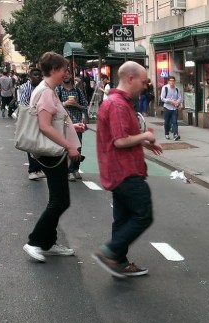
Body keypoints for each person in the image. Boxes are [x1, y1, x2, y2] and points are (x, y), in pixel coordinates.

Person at [92, 61, 164, 278]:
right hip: (125, 171)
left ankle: (118, 261)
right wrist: (146, 136)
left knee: (122, 219)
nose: (145, 86)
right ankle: (110, 252)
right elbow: (120, 141)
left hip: (117, 171)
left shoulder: (116, 102)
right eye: (143, 82)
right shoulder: (118, 105)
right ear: (130, 79)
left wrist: (143, 143)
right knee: (143, 215)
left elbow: (119, 137)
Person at [22, 52, 86, 263]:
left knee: (59, 200)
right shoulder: (47, 93)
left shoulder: (45, 89)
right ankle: (34, 242)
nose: (66, 73)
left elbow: (53, 121)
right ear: (56, 70)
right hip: (52, 152)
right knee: (60, 201)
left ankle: (48, 243)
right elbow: (44, 126)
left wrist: (72, 126)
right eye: (65, 69)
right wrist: (69, 145)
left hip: (51, 151)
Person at [56, 68, 89, 181]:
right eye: (63, 73)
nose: (65, 75)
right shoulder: (58, 90)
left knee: (78, 147)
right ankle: (69, 171)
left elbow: (85, 106)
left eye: (67, 73)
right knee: (66, 147)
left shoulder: (78, 91)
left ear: (71, 75)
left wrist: (77, 105)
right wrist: (65, 103)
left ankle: (75, 169)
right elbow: (53, 105)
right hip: (63, 123)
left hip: (77, 122)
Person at [18, 68, 46, 181]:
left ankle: (39, 169)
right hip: (30, 118)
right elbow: (24, 104)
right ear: (30, 75)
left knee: (41, 144)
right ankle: (33, 170)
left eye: (39, 75)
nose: (37, 77)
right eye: (35, 75)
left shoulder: (44, 87)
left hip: (43, 119)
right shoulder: (25, 87)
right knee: (32, 145)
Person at [160, 76, 181, 141]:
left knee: (174, 122)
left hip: (174, 108)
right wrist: (171, 101)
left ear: (175, 81)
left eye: (173, 81)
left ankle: (175, 135)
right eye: (170, 81)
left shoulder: (177, 89)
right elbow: (162, 98)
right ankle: (167, 134)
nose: (172, 82)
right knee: (167, 122)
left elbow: (180, 97)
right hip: (167, 107)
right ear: (168, 81)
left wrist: (177, 103)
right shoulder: (165, 88)